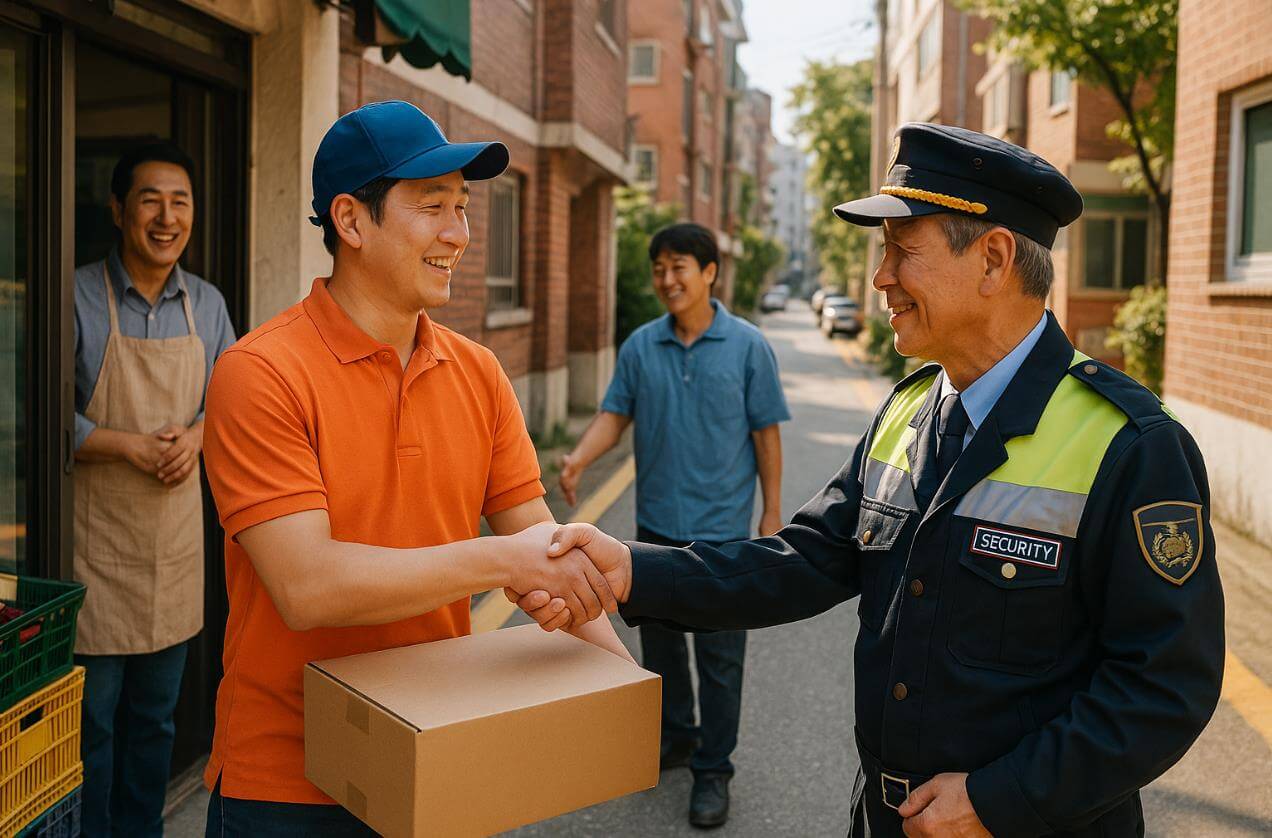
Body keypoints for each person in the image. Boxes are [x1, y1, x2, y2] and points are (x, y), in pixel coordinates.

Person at [517, 123, 1226, 837]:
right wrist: (632, 570)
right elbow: (804, 561)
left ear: (994, 258)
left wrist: (1000, 798)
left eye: (901, 252)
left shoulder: (1130, 445)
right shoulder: (909, 410)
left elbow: (1164, 687)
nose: (880, 277)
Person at [199, 100, 628, 836]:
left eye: (461, 208)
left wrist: (626, 692)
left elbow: (545, 550)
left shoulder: (480, 373)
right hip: (284, 782)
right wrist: (504, 559)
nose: (459, 234)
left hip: (434, 750)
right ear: (352, 220)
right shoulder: (260, 373)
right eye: (433, 207)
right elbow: (308, 586)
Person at [556, 222, 789, 827]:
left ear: (710, 272)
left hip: (724, 540)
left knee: (719, 659)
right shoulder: (640, 347)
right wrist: (579, 457)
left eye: (679, 265)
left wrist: (770, 510)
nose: (667, 278)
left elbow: (766, 433)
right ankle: (679, 736)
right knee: (661, 649)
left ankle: (714, 769)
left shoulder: (747, 346)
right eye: (659, 267)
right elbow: (615, 415)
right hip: (653, 535)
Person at [72, 141, 237, 838]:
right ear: (117, 210)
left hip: (172, 552)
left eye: (181, 202)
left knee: (156, 723)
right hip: (94, 551)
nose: (167, 217)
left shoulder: (208, 303)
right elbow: (36, 409)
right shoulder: (75, 292)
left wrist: (198, 435)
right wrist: (128, 445)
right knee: (92, 725)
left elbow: (236, 402)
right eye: (150, 199)